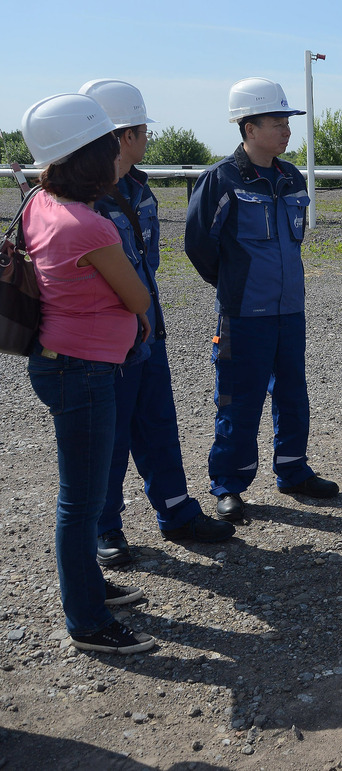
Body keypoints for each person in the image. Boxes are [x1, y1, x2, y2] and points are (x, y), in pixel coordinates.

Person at [78, 79, 234, 567]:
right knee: (110, 439)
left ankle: (176, 512)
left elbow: (150, 266)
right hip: (108, 344)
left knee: (158, 428)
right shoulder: (82, 201)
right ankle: (104, 528)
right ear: (125, 135)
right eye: (142, 129)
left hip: (149, 333)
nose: (147, 138)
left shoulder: (140, 191)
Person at [21, 93, 155, 654]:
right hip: (86, 373)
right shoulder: (92, 228)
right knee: (82, 499)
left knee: (81, 492)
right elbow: (138, 296)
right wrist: (138, 318)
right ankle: (88, 620)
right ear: (89, 157)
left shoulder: (38, 201)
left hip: (56, 361)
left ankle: (88, 587)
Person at [185, 77, 338, 521]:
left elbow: (293, 241)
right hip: (243, 314)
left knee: (293, 394)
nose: (286, 130)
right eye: (277, 121)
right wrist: (235, 284)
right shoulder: (221, 179)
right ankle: (229, 485)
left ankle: (293, 471)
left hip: (289, 310)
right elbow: (199, 246)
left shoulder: (290, 176)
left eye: (287, 121)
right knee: (239, 399)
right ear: (249, 128)